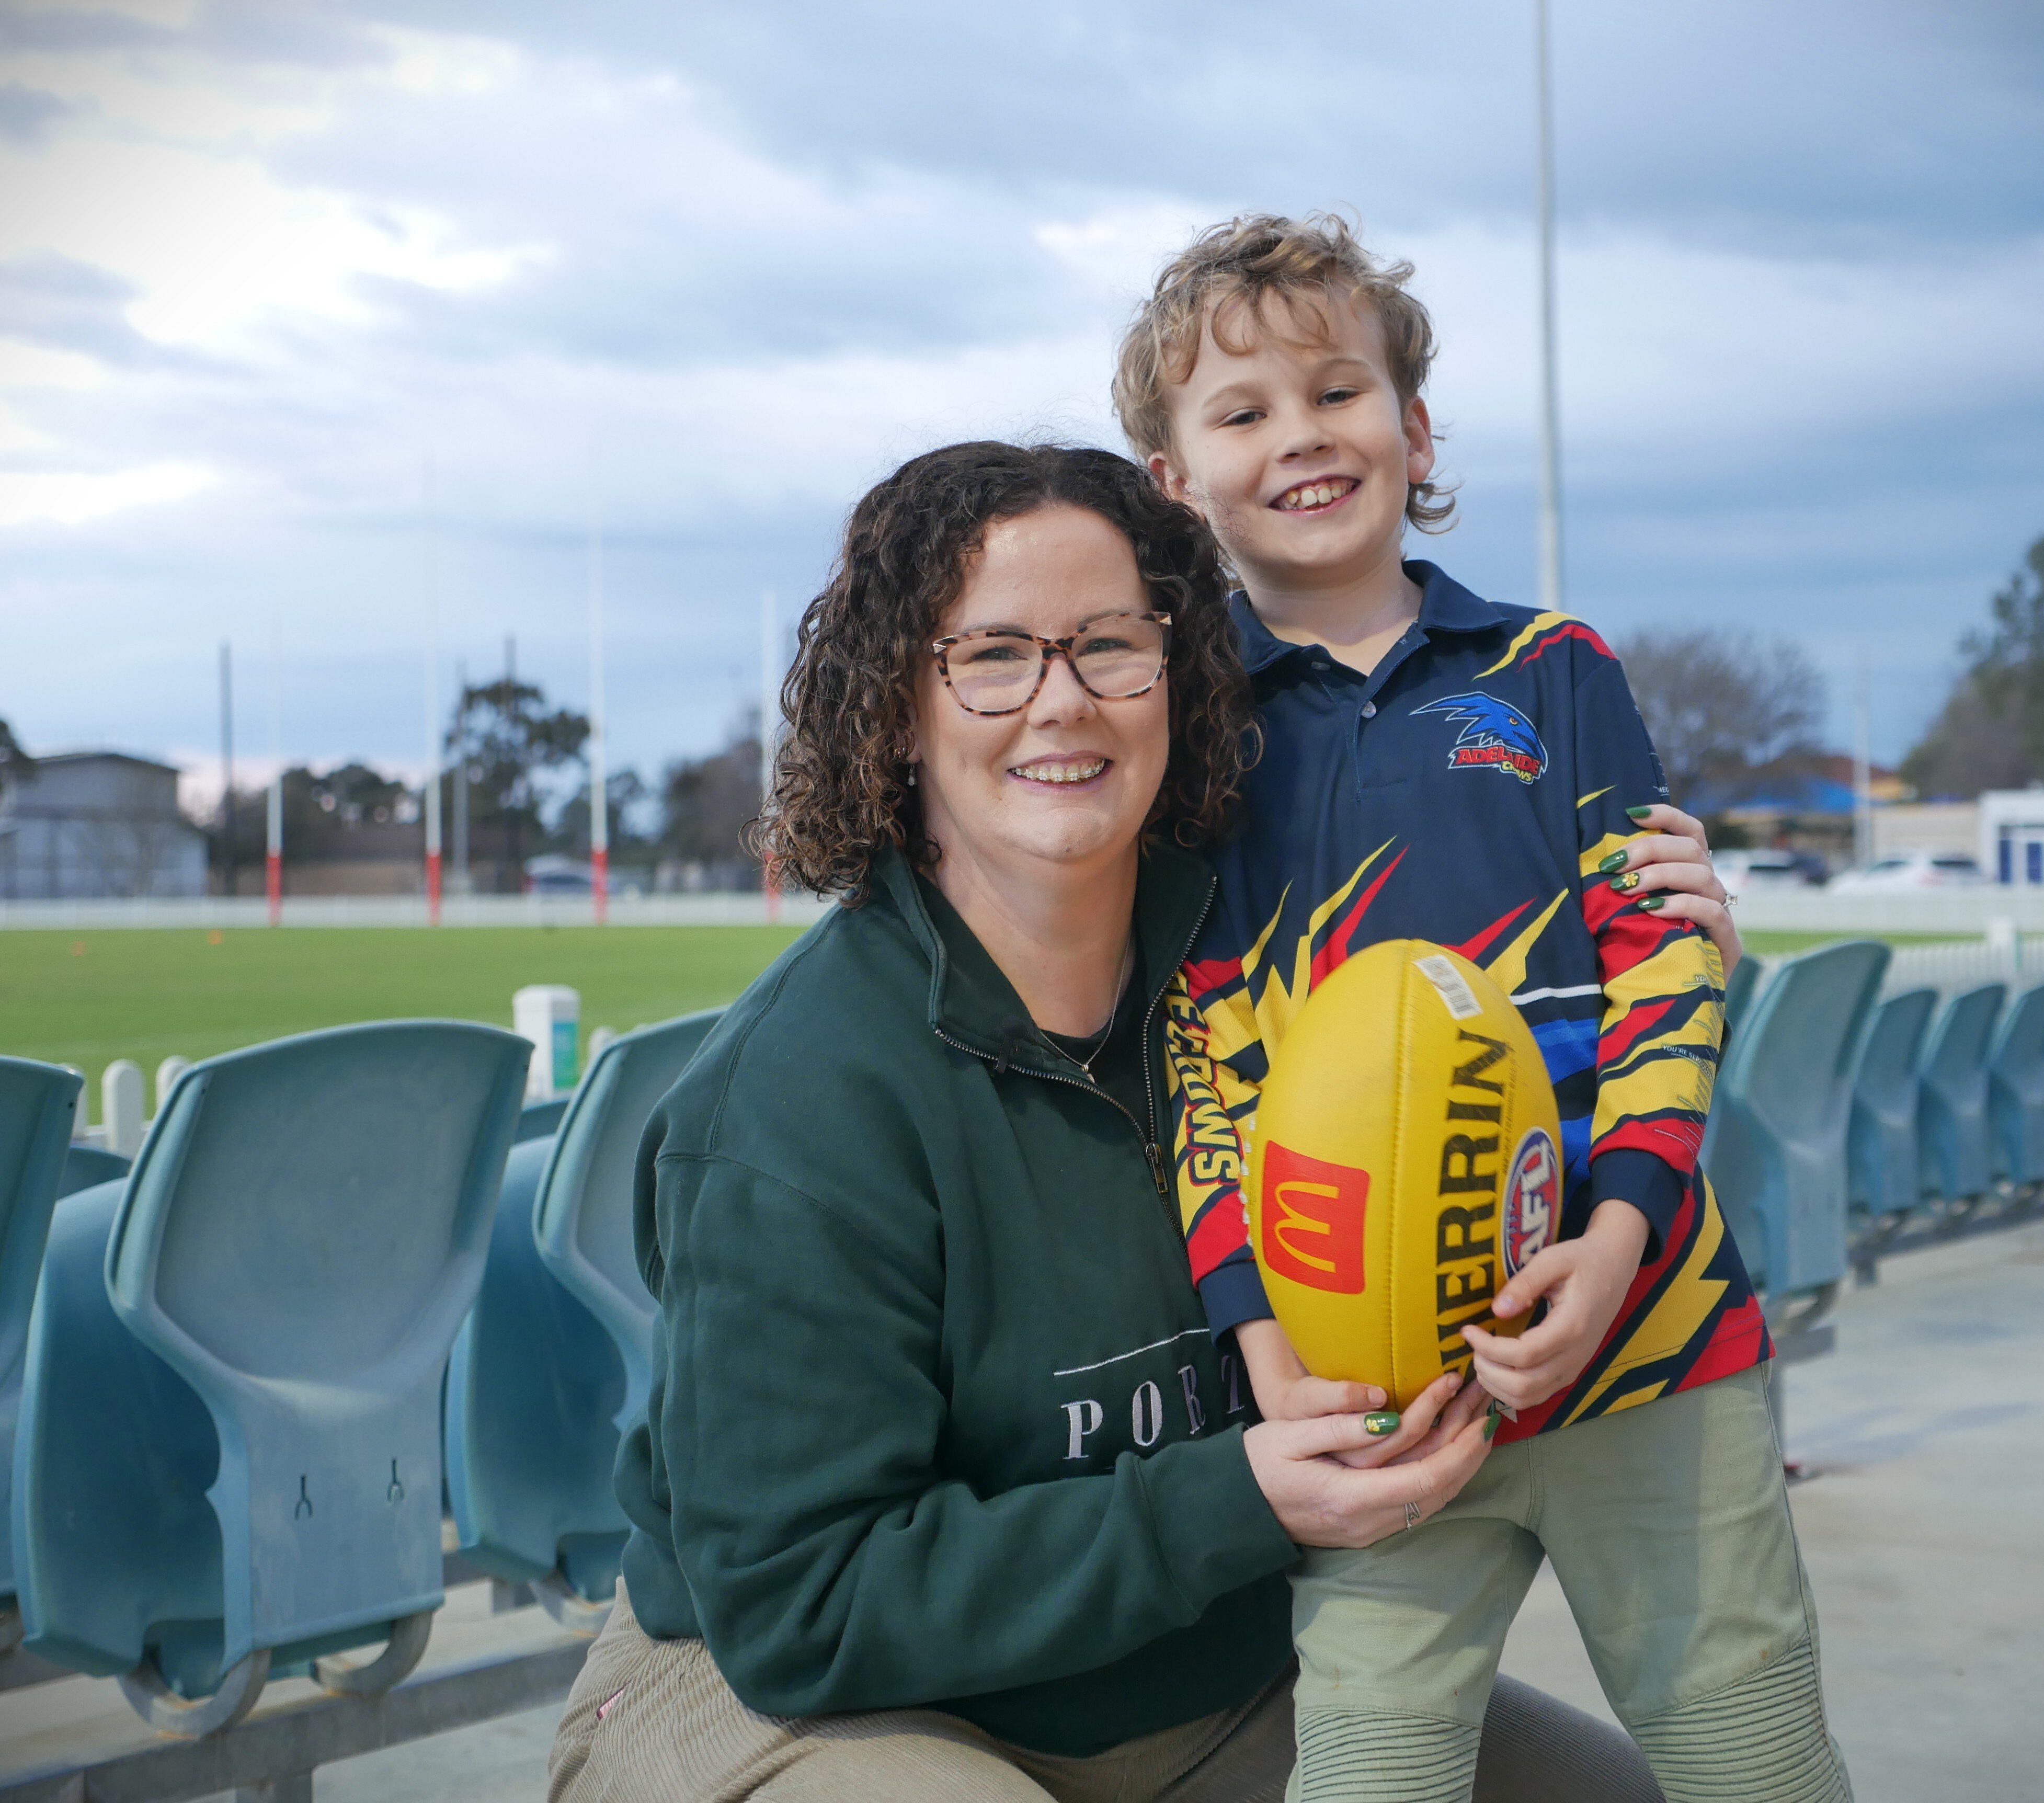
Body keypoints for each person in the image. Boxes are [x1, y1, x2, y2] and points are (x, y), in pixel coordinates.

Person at [546, 441, 1677, 1803]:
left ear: (1178, 675)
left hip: (1194, 1674)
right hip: (800, 1694)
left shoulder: (1285, 979)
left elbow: (1534, 979)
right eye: (994, 656)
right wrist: (1233, 1502)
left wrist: (1658, 933)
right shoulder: (794, 1102)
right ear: (900, 708)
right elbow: (804, 1606)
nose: (1062, 702)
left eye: (1108, 646)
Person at [1120, 216, 1853, 1801]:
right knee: (1371, 1770)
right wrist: (1261, 1333)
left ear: (1416, 429)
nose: (1303, 437)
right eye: (1241, 413)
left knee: (1751, 1754)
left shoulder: (1550, 670)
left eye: (1338, 391)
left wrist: (1620, 1235)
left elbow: (1664, 962)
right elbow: (1205, 1071)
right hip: (1367, 1376)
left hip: (1645, 1334)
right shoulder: (1190, 742)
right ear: (1174, 481)